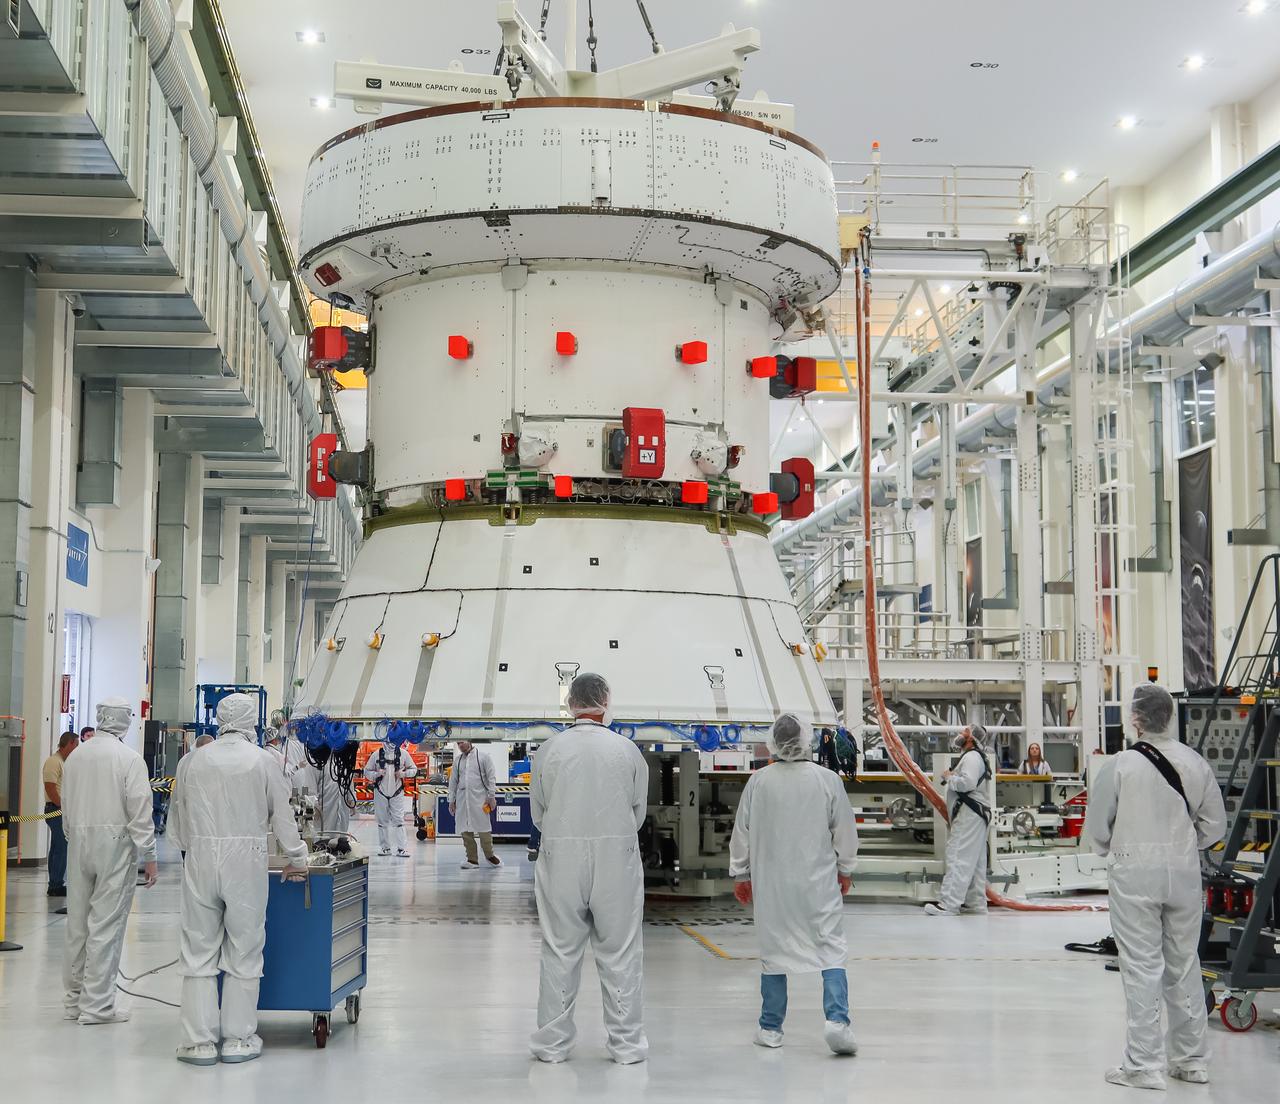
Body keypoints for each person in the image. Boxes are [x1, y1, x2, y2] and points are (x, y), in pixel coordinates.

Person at [1084, 684, 1227, 1090]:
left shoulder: (1122, 764)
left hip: (1134, 873)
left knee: (1142, 966)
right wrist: (1182, 846)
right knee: (1184, 963)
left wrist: (1116, 846)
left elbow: (1098, 828)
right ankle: (1191, 1061)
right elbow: (1215, 827)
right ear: (1170, 716)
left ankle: (1144, 1066)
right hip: (1183, 872)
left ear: (1136, 719)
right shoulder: (1195, 762)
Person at [167, 692, 309, 1066]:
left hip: (200, 856)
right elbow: (283, 818)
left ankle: (197, 1042)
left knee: (197, 949)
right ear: (251, 720)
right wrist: (297, 857)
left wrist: (193, 849)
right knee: (244, 948)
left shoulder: (191, 760)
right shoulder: (263, 761)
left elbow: (177, 820)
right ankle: (238, 1039)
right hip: (246, 861)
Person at [530, 672, 649, 1064]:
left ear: (570, 704)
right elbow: (637, 811)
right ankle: (626, 1046)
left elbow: (538, 812)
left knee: (559, 949)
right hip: (617, 858)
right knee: (621, 951)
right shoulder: (627, 751)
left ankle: (552, 1045)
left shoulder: (549, 750)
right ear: (606, 702)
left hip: (561, 857)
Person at [729, 714, 860, 1054]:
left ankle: (770, 1028)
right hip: (819, 882)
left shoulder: (759, 782)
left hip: (772, 884)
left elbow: (741, 833)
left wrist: (741, 874)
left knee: (774, 950)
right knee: (831, 947)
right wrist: (845, 868)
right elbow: (844, 829)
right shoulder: (827, 780)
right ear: (807, 740)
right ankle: (837, 1022)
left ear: (773, 742)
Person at [61, 698, 157, 1024]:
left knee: (77, 925)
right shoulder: (129, 759)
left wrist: (74, 834)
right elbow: (139, 809)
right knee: (106, 925)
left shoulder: (76, 756)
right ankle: (98, 1006)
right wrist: (150, 854)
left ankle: (74, 1002)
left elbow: (66, 803)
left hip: (79, 843)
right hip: (115, 845)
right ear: (125, 721)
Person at [924, 724, 993, 916]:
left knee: (958, 856)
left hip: (969, 813)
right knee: (975, 862)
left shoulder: (971, 757)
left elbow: (967, 783)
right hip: (976, 814)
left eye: (965, 731)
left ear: (971, 739)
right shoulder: (975, 757)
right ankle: (975, 903)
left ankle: (949, 904)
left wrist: (949, 777)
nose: (960, 734)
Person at [448, 739, 499, 869]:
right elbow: (453, 781)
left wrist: (491, 796)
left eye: (462, 742)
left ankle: (490, 855)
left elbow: (491, 777)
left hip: (480, 799)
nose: (460, 746)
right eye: (458, 744)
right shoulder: (458, 761)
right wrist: (451, 800)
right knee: (465, 831)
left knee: (484, 829)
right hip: (462, 800)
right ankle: (472, 860)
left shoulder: (483, 757)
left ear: (470, 741)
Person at [364, 738, 419, 857]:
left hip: (397, 792)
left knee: (399, 820)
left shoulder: (403, 754)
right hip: (380, 792)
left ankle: (401, 849)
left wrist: (403, 774)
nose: (390, 744)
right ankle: (385, 848)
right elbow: (366, 771)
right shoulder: (376, 754)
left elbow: (414, 769)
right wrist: (377, 774)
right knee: (382, 820)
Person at [42, 730, 78, 897]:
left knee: (58, 847)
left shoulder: (63, 762)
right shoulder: (53, 762)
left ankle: (55, 883)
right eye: (76, 745)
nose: (77, 749)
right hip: (55, 811)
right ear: (69, 744)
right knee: (61, 848)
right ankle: (56, 885)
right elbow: (50, 788)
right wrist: (62, 807)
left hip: (60, 810)